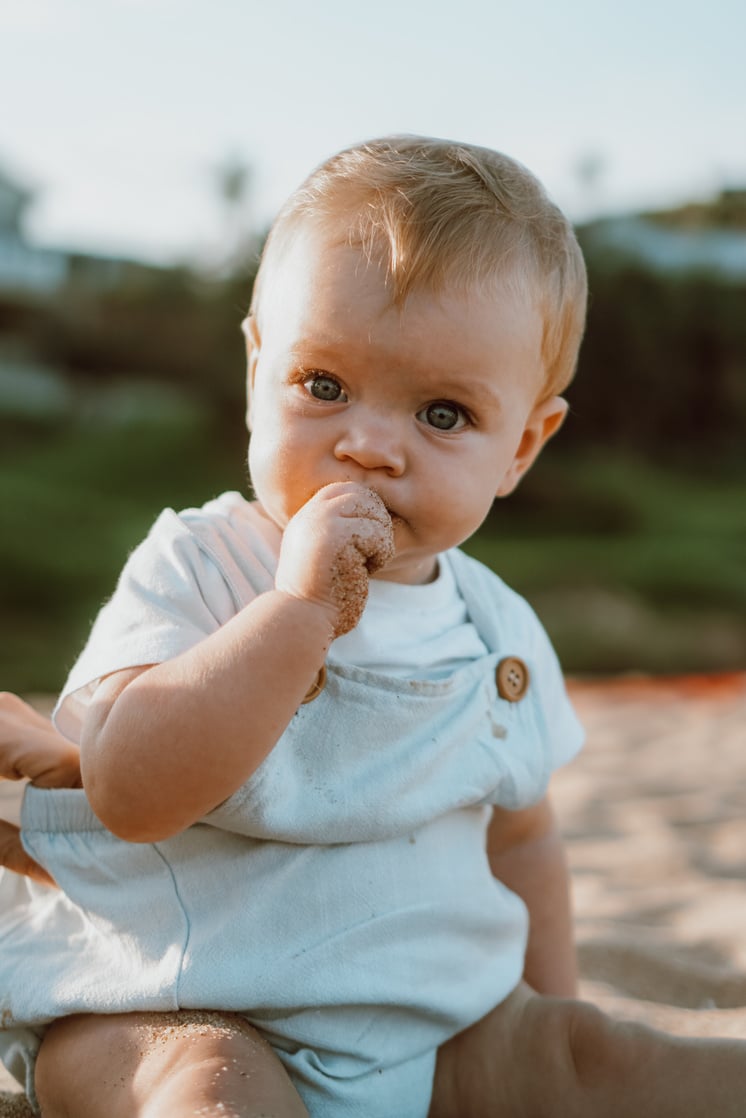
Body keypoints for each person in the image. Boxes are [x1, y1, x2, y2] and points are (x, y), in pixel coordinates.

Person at [2, 135, 746, 1118]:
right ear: (257, 368)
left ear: (521, 444)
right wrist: (295, 613)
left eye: (441, 413)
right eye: (323, 385)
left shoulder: (497, 633)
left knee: (601, 1055)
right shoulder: (201, 564)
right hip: (178, 1002)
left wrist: (548, 1015)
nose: (368, 445)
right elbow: (134, 789)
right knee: (204, 1088)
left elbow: (521, 840)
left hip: (432, 1031)